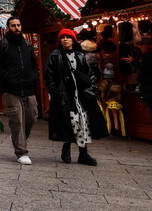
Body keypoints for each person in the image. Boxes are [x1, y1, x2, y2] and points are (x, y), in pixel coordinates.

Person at [44, 29, 108, 166]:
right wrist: (55, 92)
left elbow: (88, 73)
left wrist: (90, 88)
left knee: (82, 121)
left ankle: (83, 153)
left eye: (68, 37)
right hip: (64, 95)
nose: (65, 39)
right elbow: (49, 76)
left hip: (80, 95)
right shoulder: (55, 56)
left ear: (73, 40)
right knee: (70, 120)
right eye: (63, 37)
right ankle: (66, 148)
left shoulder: (80, 55)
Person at [0, 16, 39, 165]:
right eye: (13, 26)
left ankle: (20, 140)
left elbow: (34, 64)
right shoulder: (2, 45)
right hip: (11, 89)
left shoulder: (27, 44)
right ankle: (21, 151)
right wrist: (7, 77)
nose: (16, 28)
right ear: (8, 28)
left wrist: (34, 77)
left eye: (18, 25)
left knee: (31, 117)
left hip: (28, 87)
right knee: (17, 119)